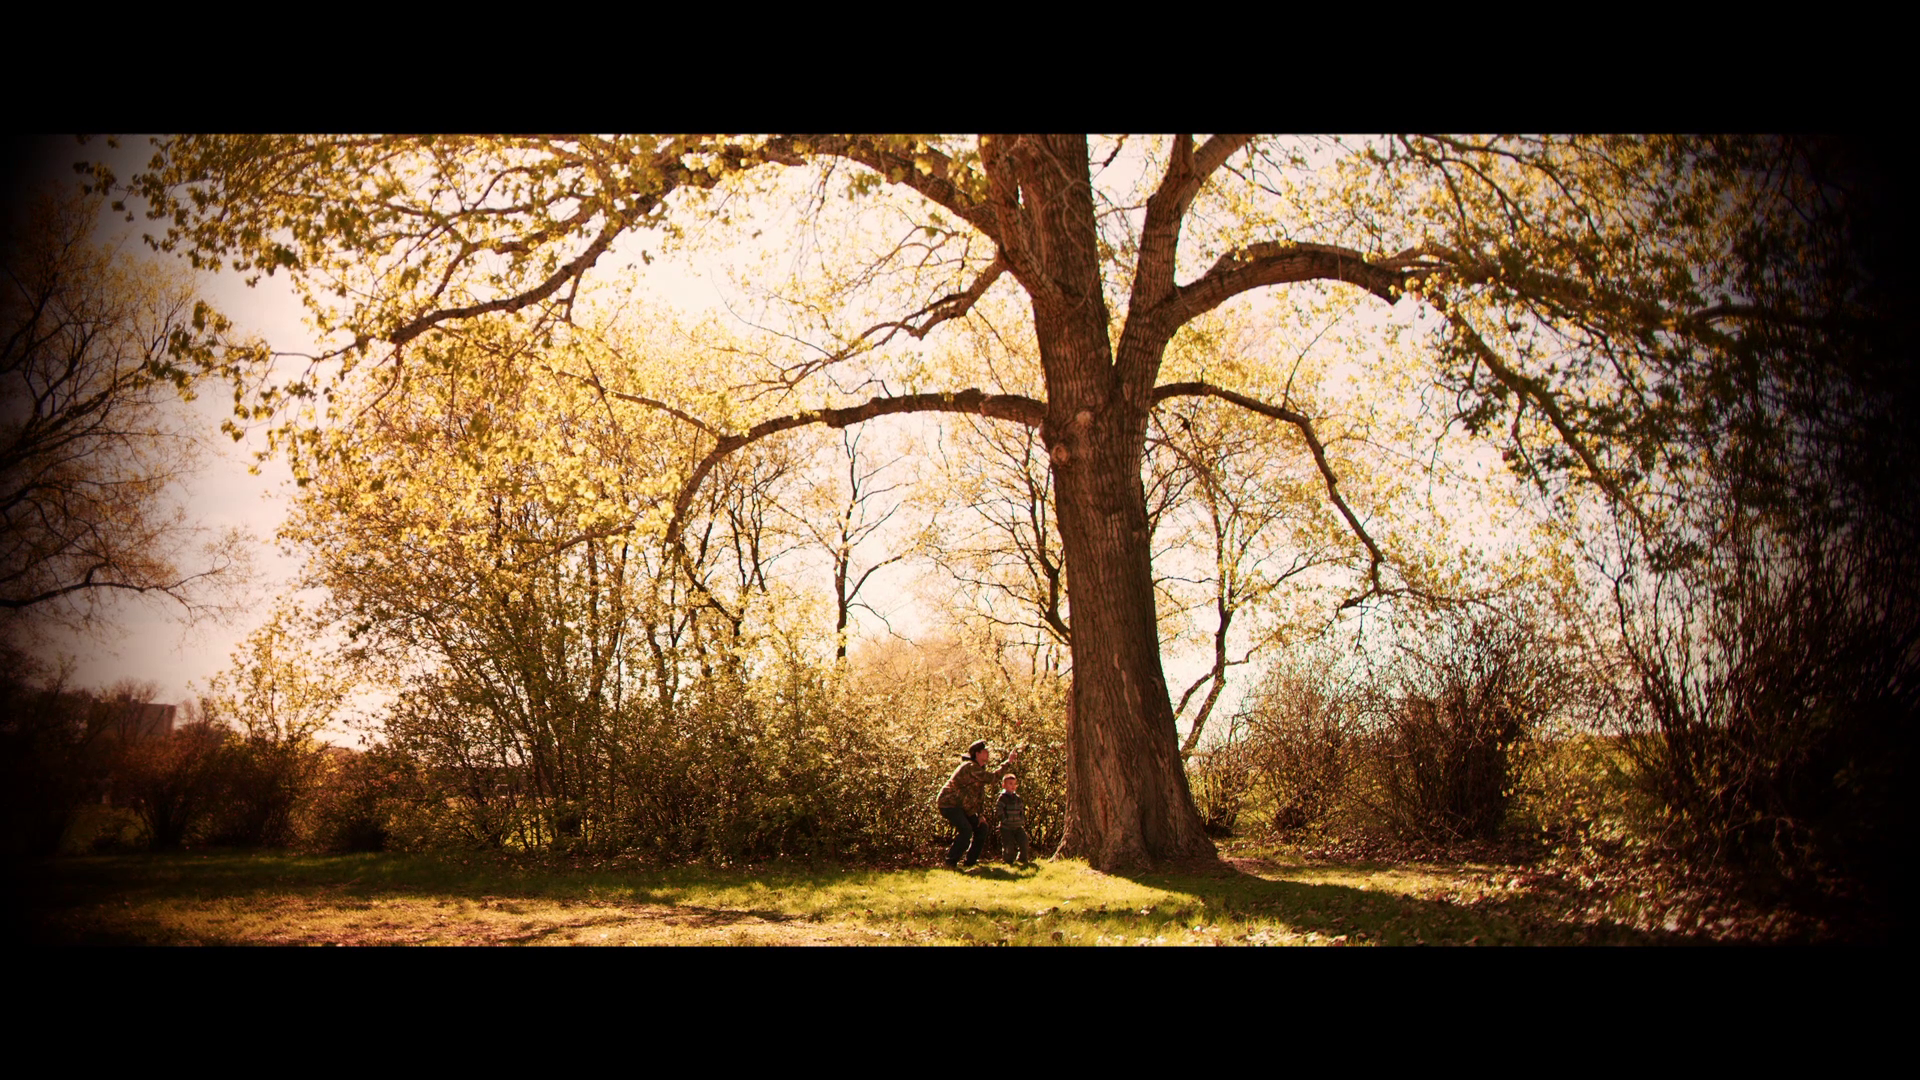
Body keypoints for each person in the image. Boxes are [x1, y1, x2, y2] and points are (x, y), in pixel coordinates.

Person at [934, 739, 1018, 869]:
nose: (987, 753)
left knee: (982, 828)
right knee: (966, 830)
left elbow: (979, 795)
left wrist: (980, 815)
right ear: (977, 754)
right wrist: (1008, 762)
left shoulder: (978, 768)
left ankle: (970, 862)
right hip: (949, 805)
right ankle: (950, 863)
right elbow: (992, 778)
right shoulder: (970, 767)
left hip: (962, 807)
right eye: (985, 751)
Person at [996, 773, 1030, 865]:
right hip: (1006, 827)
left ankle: (1023, 858)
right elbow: (999, 811)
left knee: (1024, 842)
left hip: (1018, 826)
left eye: (1014, 784)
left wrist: (1021, 819)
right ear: (1004, 785)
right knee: (1008, 845)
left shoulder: (1017, 798)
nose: (1013, 786)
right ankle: (1008, 861)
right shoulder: (1002, 798)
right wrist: (1004, 820)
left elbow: (1021, 810)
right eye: (1010, 784)